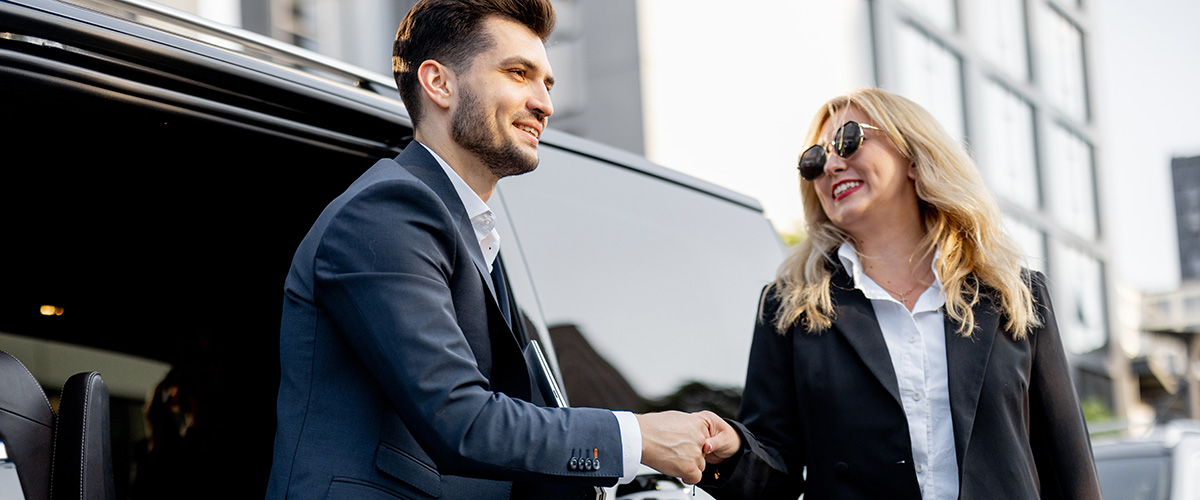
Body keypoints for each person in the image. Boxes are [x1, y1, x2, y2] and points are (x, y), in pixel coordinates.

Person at [265, 1, 721, 498]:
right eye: (518, 73)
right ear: (439, 83)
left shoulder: (476, 236)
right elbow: (461, 421)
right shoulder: (384, 212)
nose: (544, 103)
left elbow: (515, 429)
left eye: (547, 83)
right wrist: (637, 438)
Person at [698, 88, 1103, 499]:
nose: (832, 166)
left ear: (913, 155)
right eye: (814, 161)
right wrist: (730, 452)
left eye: (848, 140)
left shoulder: (1014, 293)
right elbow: (773, 473)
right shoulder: (789, 307)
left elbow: (1069, 467)